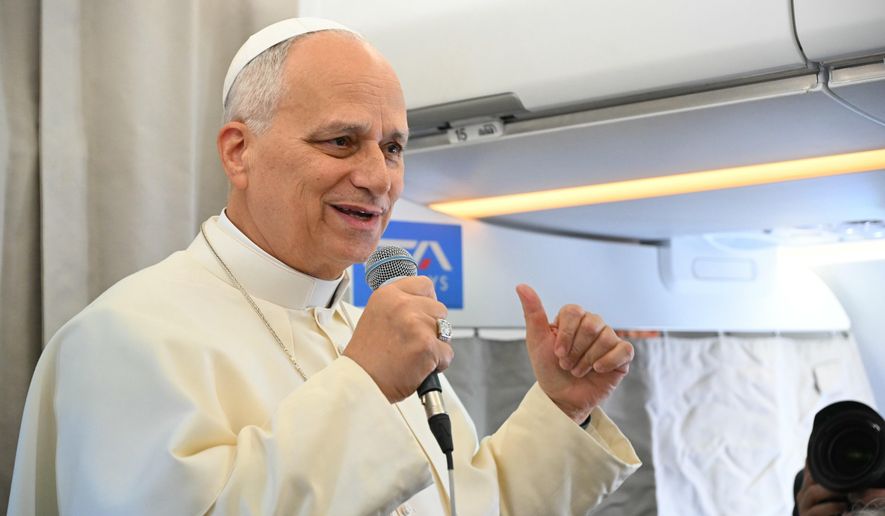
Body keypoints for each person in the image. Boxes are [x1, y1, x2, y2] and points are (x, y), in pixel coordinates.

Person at [8, 18, 640, 515]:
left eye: (393, 147)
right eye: (341, 141)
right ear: (239, 152)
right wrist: (364, 384)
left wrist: (561, 410)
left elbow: (462, 502)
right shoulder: (125, 338)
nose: (378, 179)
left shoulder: (368, 331)